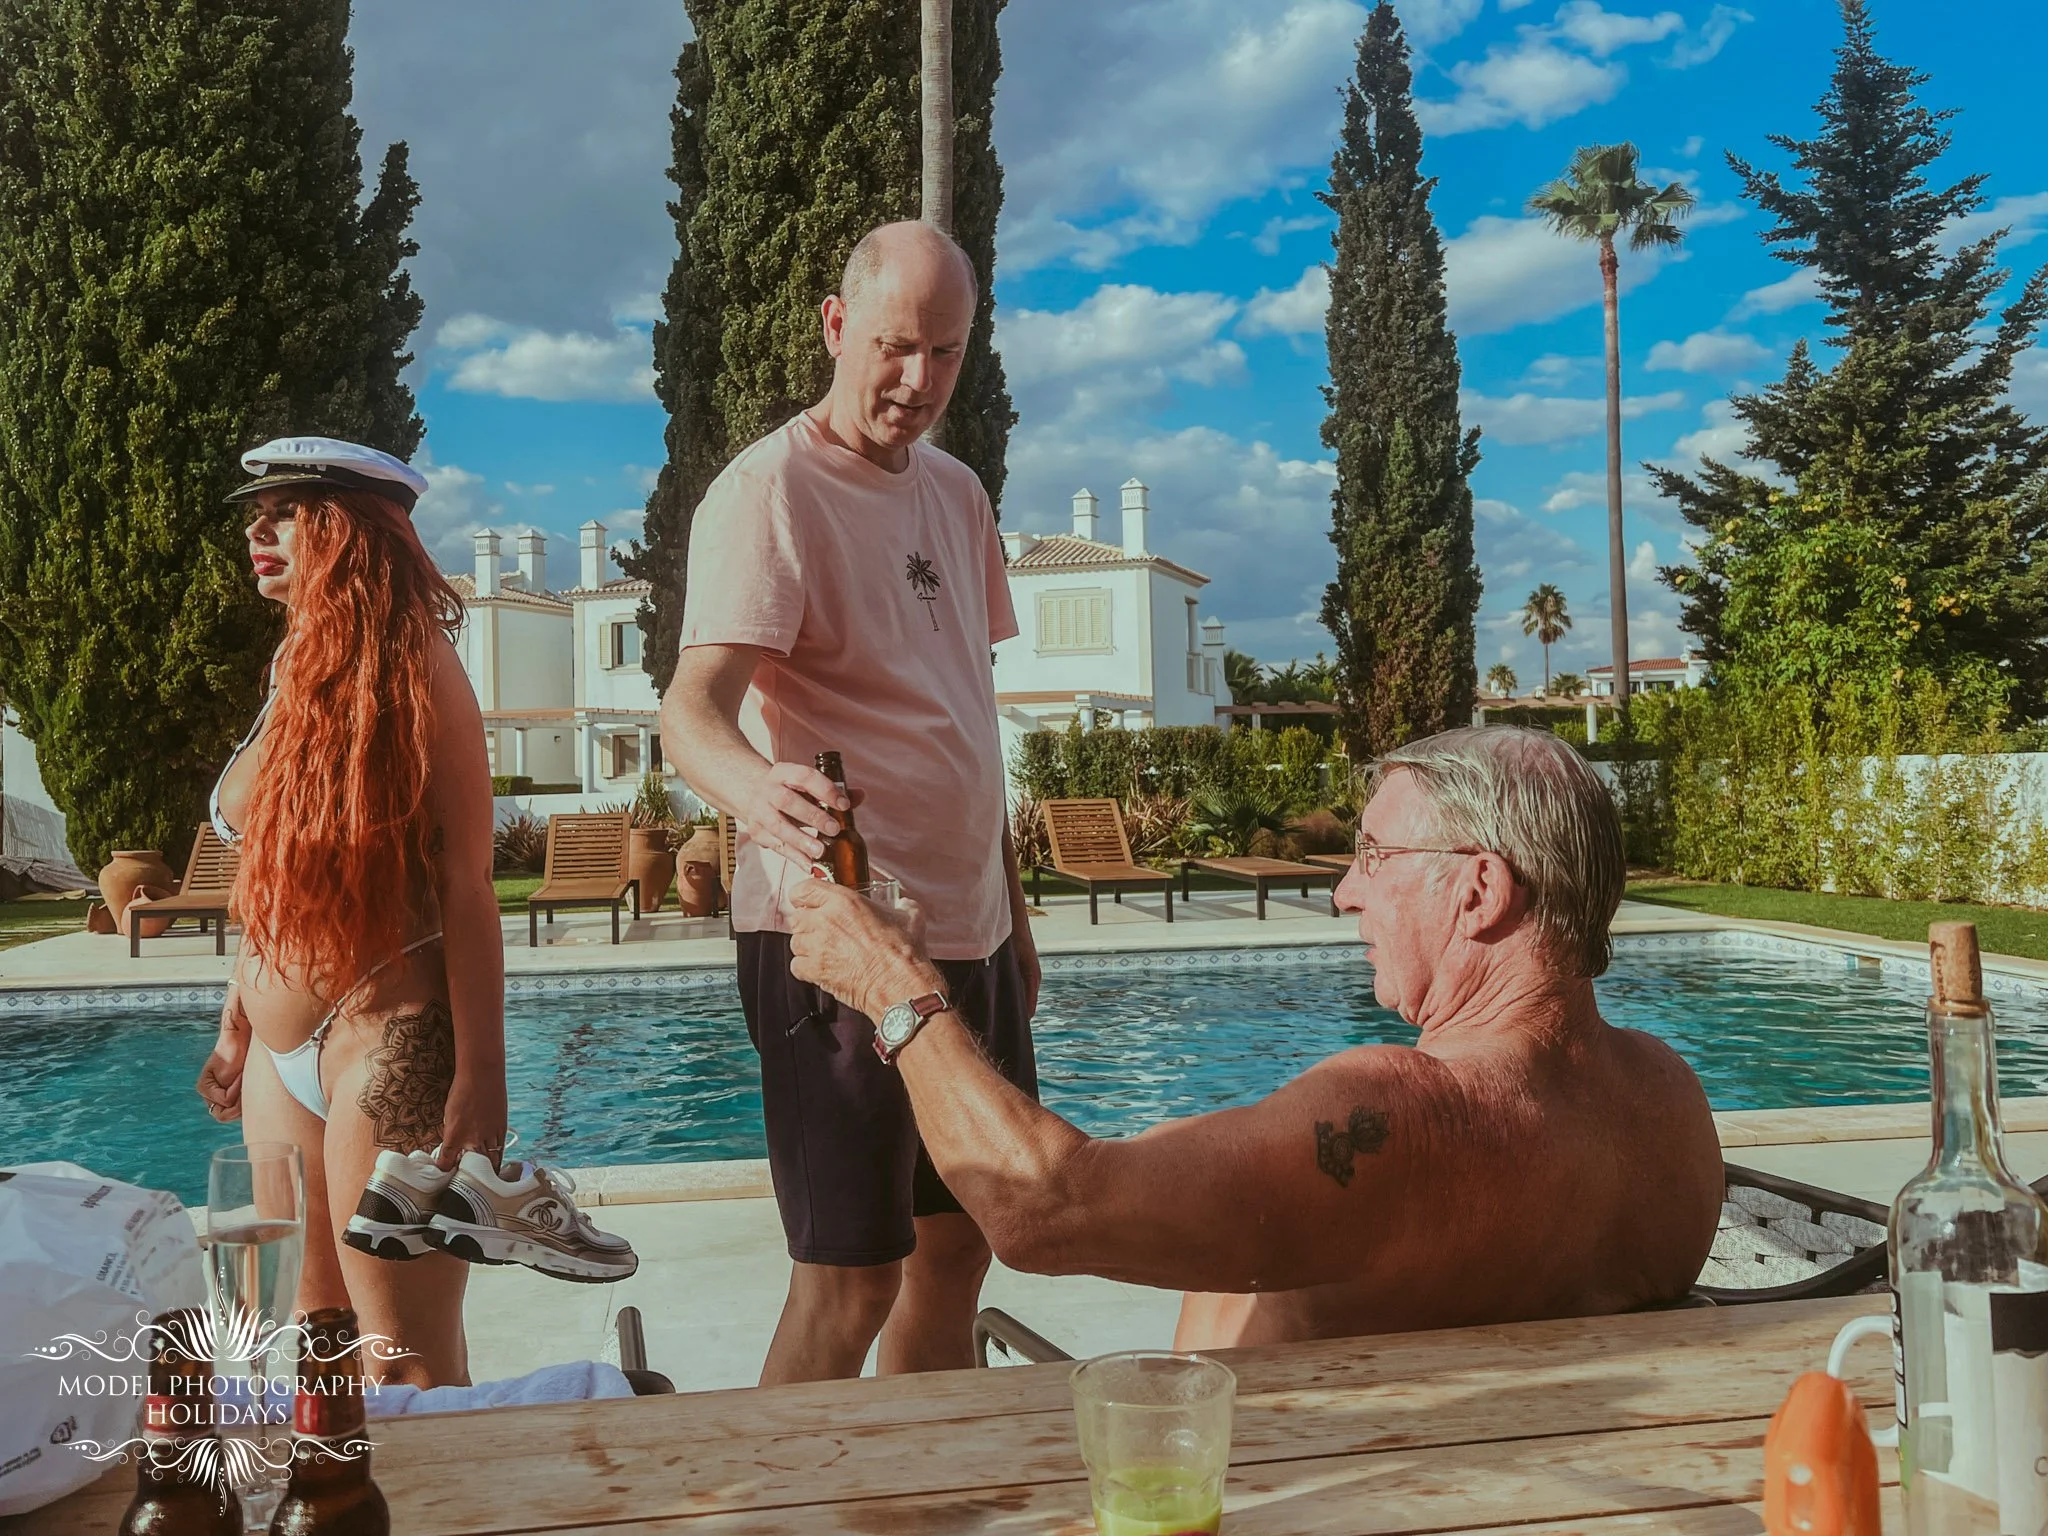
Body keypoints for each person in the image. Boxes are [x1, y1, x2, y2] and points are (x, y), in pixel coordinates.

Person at [786, 726, 1725, 1347]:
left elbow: (1044, 1209)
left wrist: (893, 985)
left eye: (1374, 857)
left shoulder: (1404, 1119)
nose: (1345, 892)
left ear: (1478, 889)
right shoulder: (1667, 1101)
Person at [662, 221, 1041, 1385]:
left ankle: (919, 1505)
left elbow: (963, 713)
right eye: (893, 347)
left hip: (968, 931)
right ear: (835, 327)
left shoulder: (957, 492)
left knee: (966, 1242)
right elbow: (692, 709)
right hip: (838, 938)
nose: (917, 381)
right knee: (851, 1277)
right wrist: (754, 795)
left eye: (945, 352)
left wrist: (1013, 922)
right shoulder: (767, 492)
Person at [185, 437, 633, 1386]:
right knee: (313, 1344)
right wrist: (236, 1024)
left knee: (402, 1364)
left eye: (288, 512)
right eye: (255, 514)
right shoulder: (292, 667)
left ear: (349, 531)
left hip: (388, 1044)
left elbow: (471, 886)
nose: (258, 531)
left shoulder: (421, 671)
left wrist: (485, 1075)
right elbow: (275, 872)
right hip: (278, 1055)